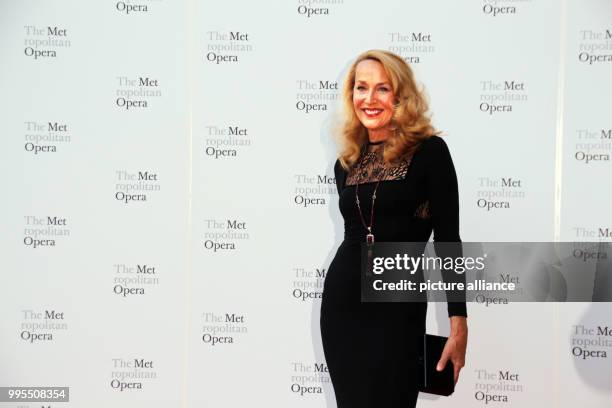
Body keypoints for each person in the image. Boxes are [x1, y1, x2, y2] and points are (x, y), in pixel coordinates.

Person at [320, 50, 468, 408]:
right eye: (361, 88)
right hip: (343, 303)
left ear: (400, 96)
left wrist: (458, 322)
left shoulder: (430, 152)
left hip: (396, 302)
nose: (369, 99)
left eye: (382, 89)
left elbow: (448, 240)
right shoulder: (347, 162)